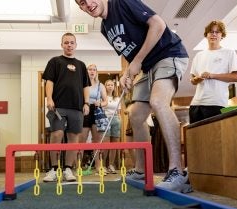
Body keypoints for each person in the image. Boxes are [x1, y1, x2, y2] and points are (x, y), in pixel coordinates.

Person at [76, 0, 191, 193]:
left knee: (158, 101)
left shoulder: (121, 3)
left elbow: (158, 24)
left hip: (168, 54)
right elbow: (127, 52)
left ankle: (177, 171)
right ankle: (142, 170)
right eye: (81, 2)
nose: (88, 3)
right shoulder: (105, 27)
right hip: (146, 66)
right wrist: (127, 73)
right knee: (136, 114)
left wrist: (137, 62)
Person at [42, 32, 90, 182]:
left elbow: (85, 86)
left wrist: (86, 103)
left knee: (74, 138)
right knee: (57, 134)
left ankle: (68, 169)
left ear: (75, 45)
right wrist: (49, 98)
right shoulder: (55, 62)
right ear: (62, 44)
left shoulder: (81, 65)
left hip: (76, 108)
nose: (69, 45)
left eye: (71, 42)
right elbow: (49, 82)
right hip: (58, 107)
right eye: (66, 42)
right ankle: (54, 169)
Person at [189, 20, 237, 124]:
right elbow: (192, 80)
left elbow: (236, 77)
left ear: (222, 35)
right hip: (196, 104)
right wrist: (197, 79)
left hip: (216, 103)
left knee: (214, 138)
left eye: (217, 32)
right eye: (211, 32)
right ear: (206, 35)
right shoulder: (199, 55)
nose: (213, 34)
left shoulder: (229, 53)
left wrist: (212, 75)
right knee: (195, 138)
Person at [79, 64, 108, 175]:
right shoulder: (81, 83)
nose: (92, 71)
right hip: (84, 111)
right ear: (87, 71)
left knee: (97, 142)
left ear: (96, 72)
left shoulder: (100, 85)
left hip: (96, 111)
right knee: (81, 141)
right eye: (90, 69)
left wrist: (100, 103)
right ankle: (78, 167)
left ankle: (98, 166)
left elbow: (106, 101)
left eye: (94, 69)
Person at [102, 79, 121, 174]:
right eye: (108, 85)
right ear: (105, 87)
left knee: (114, 144)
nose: (110, 86)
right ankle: (103, 166)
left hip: (116, 120)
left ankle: (111, 165)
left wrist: (119, 120)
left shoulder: (117, 98)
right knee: (106, 144)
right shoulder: (103, 97)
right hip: (105, 119)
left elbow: (119, 111)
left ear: (114, 87)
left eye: (111, 85)